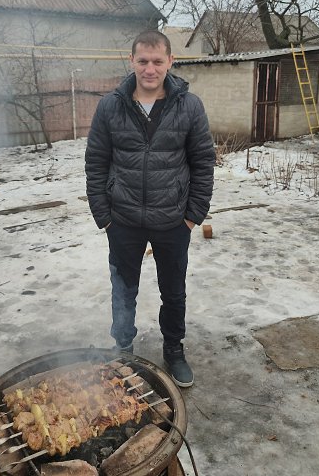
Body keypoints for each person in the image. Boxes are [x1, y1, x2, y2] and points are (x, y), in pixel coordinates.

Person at [85, 30, 215, 387]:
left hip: (173, 219)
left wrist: (193, 216)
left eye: (158, 61)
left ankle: (173, 349)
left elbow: (203, 162)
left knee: (173, 291)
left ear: (170, 61)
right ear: (132, 61)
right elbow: (96, 162)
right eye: (143, 61)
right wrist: (104, 216)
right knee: (123, 288)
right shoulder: (111, 106)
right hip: (123, 219)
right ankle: (123, 347)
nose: (150, 69)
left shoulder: (189, 106)